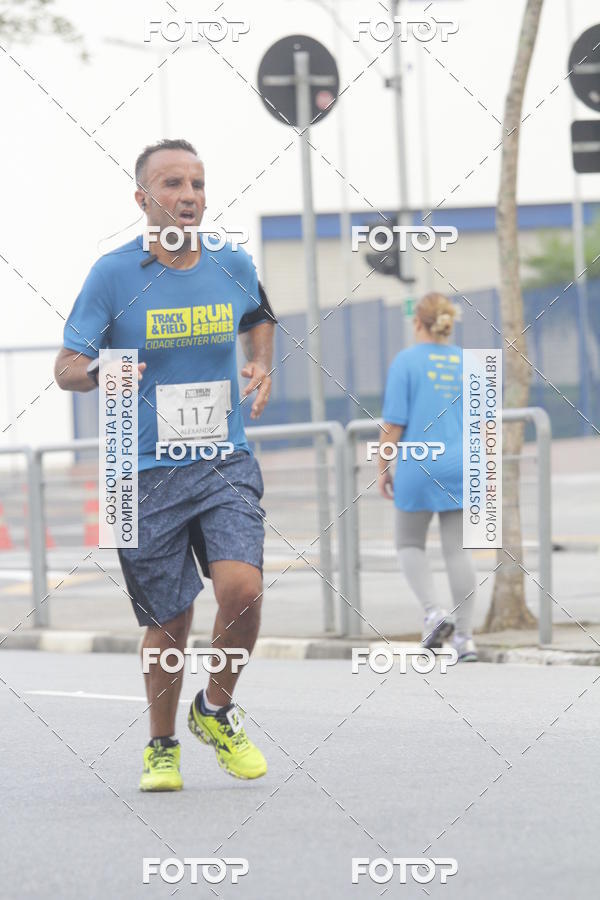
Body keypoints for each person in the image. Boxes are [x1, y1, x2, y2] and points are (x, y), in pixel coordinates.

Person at [55, 138, 276, 790]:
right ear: (142, 197)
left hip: (222, 459)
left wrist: (261, 361)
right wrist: (101, 370)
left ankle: (216, 708)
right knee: (169, 622)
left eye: (197, 184)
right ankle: (161, 744)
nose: (189, 196)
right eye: (173, 183)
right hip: (140, 471)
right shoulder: (112, 275)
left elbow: (260, 314)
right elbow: (67, 366)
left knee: (244, 588)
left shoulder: (232, 261)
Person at [377, 293, 478, 662]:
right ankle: (465, 639)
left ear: (417, 322)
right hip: (462, 463)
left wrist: (382, 467)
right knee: (458, 550)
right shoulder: (469, 362)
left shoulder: (406, 362)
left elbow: (394, 425)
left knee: (408, 542)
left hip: (420, 463)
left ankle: (434, 613)